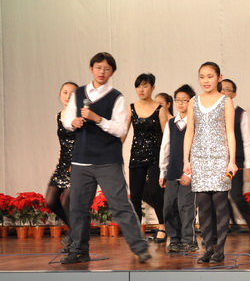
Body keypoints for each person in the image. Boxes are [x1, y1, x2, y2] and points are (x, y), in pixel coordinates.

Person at [61, 52, 150, 263]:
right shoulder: (79, 93)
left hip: (108, 160)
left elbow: (121, 130)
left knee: (120, 206)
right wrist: (72, 122)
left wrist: (98, 119)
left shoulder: (116, 97)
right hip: (81, 159)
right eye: (98, 67)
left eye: (107, 69)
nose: (102, 72)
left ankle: (140, 248)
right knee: (78, 207)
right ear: (91, 69)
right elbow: (66, 118)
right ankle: (79, 250)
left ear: (112, 72)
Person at [183, 62, 237, 264]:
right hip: (199, 158)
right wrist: (186, 159)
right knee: (203, 205)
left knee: (220, 205)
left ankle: (220, 249)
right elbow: (190, 131)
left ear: (219, 78)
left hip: (220, 157)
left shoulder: (225, 101)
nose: (206, 81)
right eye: (202, 77)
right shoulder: (193, 101)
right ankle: (208, 248)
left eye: (210, 76)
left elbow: (230, 132)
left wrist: (232, 160)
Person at [220, 79, 250, 239]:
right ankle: (229, 225)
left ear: (234, 94)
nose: (223, 92)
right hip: (218, 160)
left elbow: (246, 141)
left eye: (227, 89)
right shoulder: (215, 112)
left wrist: (248, 167)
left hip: (236, 161)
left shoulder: (240, 114)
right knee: (219, 195)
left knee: (236, 195)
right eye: (221, 89)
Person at [125, 73, 169, 242]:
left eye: (145, 86)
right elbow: (123, 132)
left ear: (153, 87)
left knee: (155, 191)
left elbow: (166, 135)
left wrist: (167, 158)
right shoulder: (131, 108)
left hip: (155, 155)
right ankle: (137, 231)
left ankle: (162, 227)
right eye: (138, 86)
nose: (141, 90)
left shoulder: (160, 108)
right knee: (136, 194)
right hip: (137, 155)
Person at [159, 84, 198, 253]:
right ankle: (174, 238)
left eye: (185, 100)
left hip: (189, 172)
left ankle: (189, 240)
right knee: (169, 206)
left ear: (192, 102)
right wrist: (163, 171)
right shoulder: (171, 123)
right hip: (172, 171)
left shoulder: (196, 123)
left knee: (186, 206)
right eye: (178, 100)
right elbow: (165, 148)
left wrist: (190, 172)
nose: (180, 103)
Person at [45, 81, 78, 227]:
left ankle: (76, 235)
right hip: (63, 164)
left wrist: (75, 163)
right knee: (50, 201)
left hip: (77, 164)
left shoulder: (80, 117)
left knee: (66, 202)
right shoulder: (58, 116)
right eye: (65, 93)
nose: (68, 96)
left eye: (72, 94)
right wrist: (60, 163)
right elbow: (63, 144)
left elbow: (84, 143)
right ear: (60, 94)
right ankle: (77, 229)